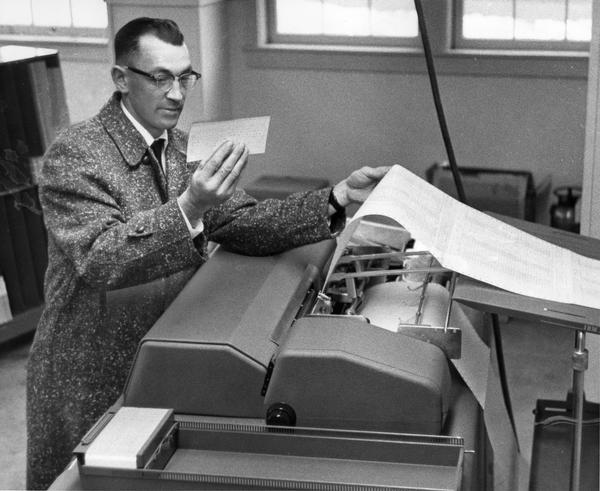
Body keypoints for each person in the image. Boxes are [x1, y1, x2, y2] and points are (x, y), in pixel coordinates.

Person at [25, 17, 390, 489]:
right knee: (86, 479)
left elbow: (241, 222)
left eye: (185, 77)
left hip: (167, 350)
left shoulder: (182, 147)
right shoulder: (75, 154)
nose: (177, 93)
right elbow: (102, 259)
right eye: (160, 78)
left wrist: (337, 197)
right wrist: (190, 205)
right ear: (120, 78)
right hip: (89, 368)